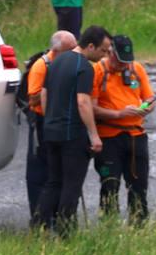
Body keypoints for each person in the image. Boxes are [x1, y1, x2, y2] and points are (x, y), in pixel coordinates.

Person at [36, 25, 111, 234]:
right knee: (72, 184)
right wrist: (94, 135)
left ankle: (40, 227)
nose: (104, 55)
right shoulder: (84, 67)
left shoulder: (57, 60)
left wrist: (49, 117)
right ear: (90, 46)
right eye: (103, 50)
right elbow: (83, 102)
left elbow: (44, 93)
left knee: (53, 181)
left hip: (51, 131)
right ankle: (66, 232)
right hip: (72, 135)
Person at [91, 33, 155, 224]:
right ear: (110, 52)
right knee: (110, 184)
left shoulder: (136, 69)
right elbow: (90, 107)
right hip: (109, 137)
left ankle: (139, 224)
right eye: (119, 61)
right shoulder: (97, 71)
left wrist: (147, 108)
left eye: (126, 61)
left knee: (139, 184)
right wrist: (119, 114)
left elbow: (149, 98)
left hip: (136, 135)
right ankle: (109, 225)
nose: (123, 65)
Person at [24, 30, 77, 225]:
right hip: (41, 120)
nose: (75, 52)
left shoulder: (68, 63)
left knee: (58, 170)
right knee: (40, 168)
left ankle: (56, 214)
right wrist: (54, 85)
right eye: (70, 49)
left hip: (58, 119)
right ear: (57, 51)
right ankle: (40, 217)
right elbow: (33, 97)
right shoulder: (41, 66)